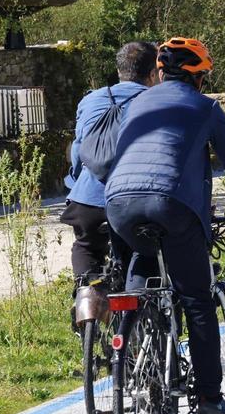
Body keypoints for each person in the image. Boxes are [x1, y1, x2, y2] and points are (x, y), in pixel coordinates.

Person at [105, 37, 225, 414]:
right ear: (198, 78)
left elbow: (118, 156)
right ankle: (211, 401)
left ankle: (130, 359)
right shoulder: (206, 107)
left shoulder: (136, 103)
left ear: (161, 72)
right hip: (171, 206)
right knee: (197, 300)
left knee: (139, 275)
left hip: (118, 203)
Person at [62, 42, 158, 286]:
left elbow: (78, 150)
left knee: (86, 247)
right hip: (134, 201)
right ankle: (137, 315)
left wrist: (75, 184)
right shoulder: (157, 101)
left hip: (87, 199)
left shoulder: (91, 100)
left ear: (119, 71)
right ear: (153, 74)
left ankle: (87, 312)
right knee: (141, 252)